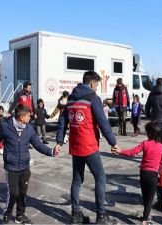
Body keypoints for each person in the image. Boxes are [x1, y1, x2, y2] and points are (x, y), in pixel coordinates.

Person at [56, 71, 118, 225]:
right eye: (97, 85)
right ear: (91, 83)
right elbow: (103, 122)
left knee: (77, 179)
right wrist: (113, 142)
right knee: (100, 177)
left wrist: (59, 141)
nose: (96, 88)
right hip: (89, 146)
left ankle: (76, 214)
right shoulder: (93, 98)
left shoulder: (70, 98)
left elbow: (63, 121)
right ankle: (101, 215)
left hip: (75, 145)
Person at [0, 104, 60, 224]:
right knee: (13, 193)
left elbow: (38, 144)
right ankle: (7, 213)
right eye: (28, 116)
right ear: (21, 117)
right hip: (11, 167)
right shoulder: (6, 127)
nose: (30, 118)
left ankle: (20, 215)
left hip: (25, 166)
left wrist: (51, 151)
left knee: (23, 193)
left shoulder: (29, 129)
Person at [112, 121, 162, 225]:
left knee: (145, 196)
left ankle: (145, 216)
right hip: (153, 175)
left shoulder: (145, 143)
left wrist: (120, 151)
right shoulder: (161, 147)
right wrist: (158, 173)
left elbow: (132, 152)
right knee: (150, 199)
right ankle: (145, 219)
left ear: (149, 133)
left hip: (144, 173)